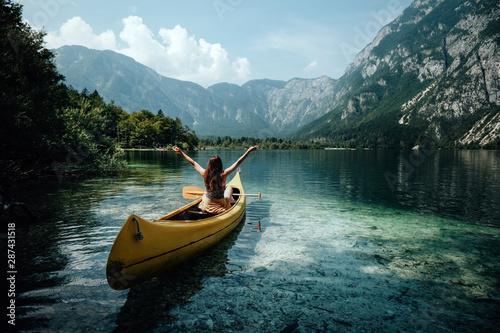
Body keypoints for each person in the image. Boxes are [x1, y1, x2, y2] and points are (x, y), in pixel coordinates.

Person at [173, 146, 258, 214]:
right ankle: (232, 200)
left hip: (207, 204)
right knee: (229, 188)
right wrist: (248, 151)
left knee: (205, 195)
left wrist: (181, 152)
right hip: (220, 204)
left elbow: (193, 162)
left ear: (209, 164)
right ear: (220, 164)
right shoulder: (223, 175)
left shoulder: (204, 174)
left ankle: (229, 200)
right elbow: (238, 162)